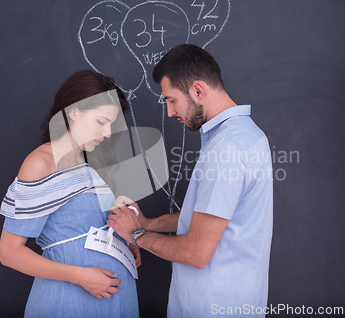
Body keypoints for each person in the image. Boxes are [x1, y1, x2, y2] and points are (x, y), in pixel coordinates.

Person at [107, 44, 273, 317]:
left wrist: (135, 234)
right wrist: (149, 223)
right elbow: (214, 217)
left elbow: (197, 252)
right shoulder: (248, 135)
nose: (170, 112)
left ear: (197, 90)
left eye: (171, 100)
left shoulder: (227, 148)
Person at [0, 70, 140, 318]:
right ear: (74, 111)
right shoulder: (40, 163)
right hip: (70, 299)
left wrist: (126, 239)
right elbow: (9, 252)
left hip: (115, 298)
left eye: (111, 124)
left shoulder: (92, 161)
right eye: (101, 122)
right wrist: (81, 276)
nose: (107, 133)